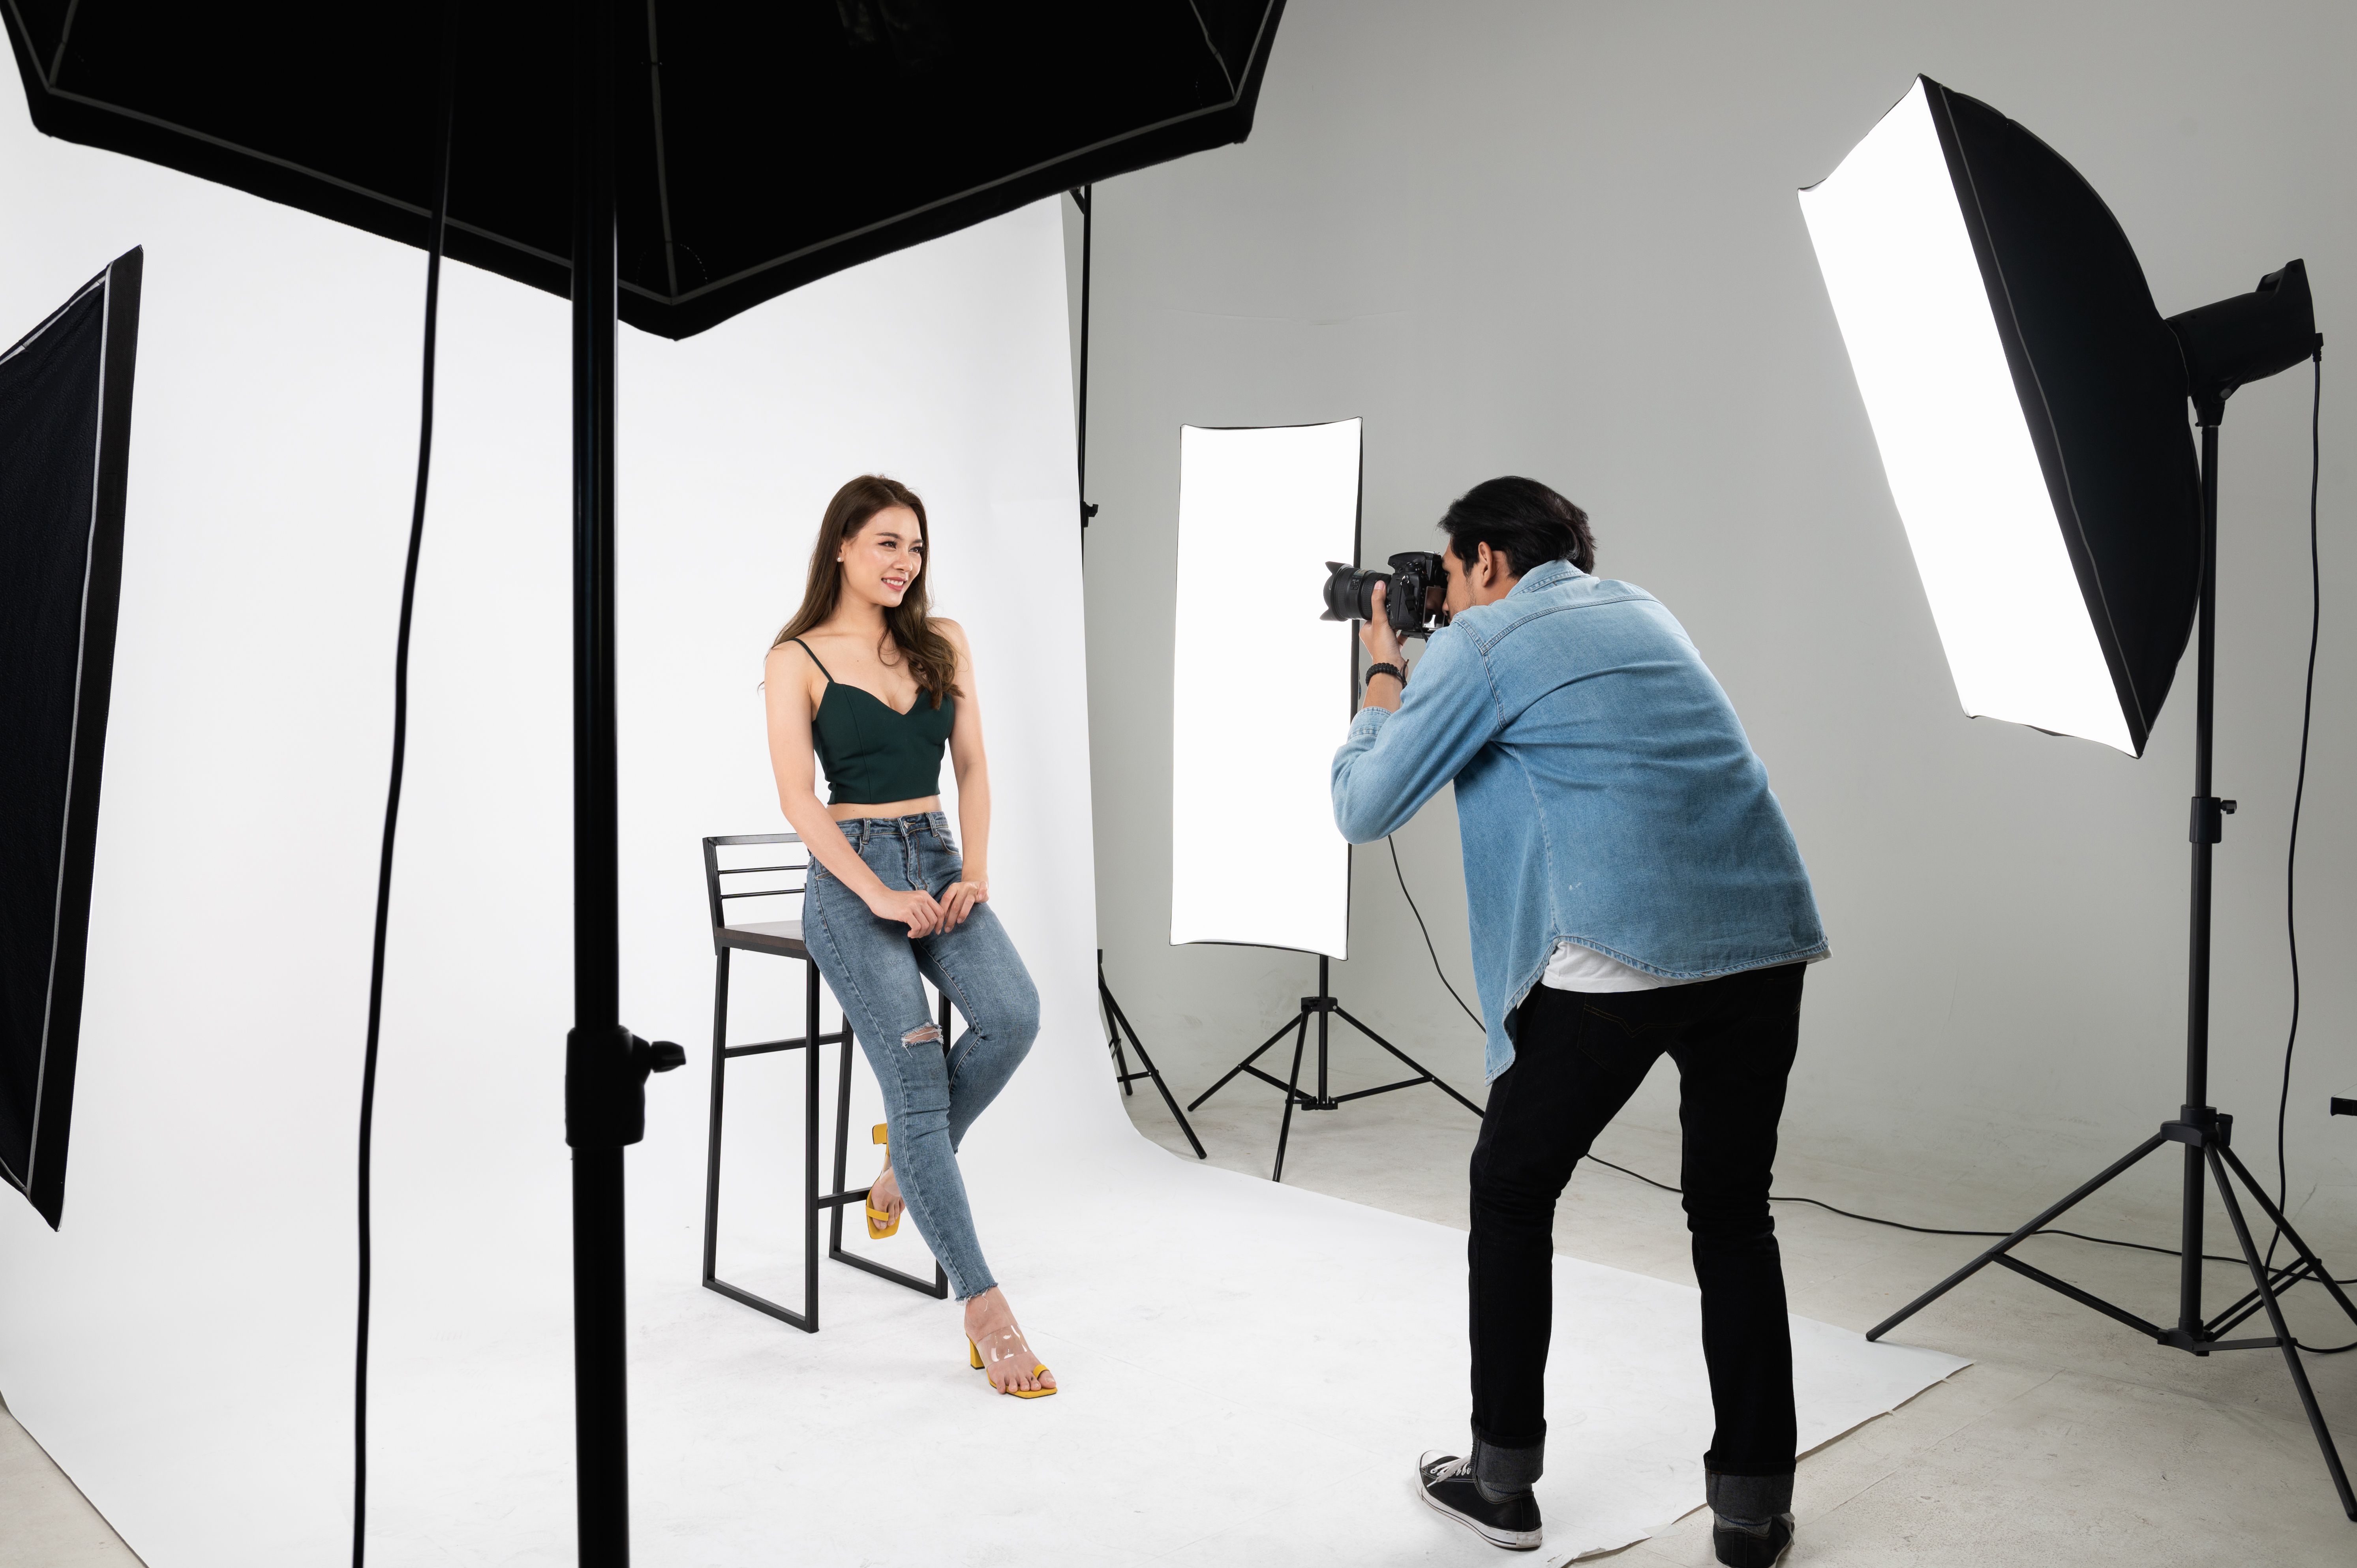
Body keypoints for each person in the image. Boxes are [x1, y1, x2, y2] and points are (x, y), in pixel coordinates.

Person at [1330, 478, 1826, 1561]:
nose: (1446, 598)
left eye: (1449, 574)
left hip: (1624, 949)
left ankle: (1501, 1482)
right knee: (1733, 1213)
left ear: (1487, 564)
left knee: (1510, 1189)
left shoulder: (1482, 640)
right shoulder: (1644, 606)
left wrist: (1382, 666)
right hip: (1765, 932)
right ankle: (1751, 1509)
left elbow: (1363, 807)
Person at [763, 474, 1053, 1398]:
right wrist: (878, 895)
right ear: (842, 546)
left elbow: (971, 765)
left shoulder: (942, 640)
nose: (905, 563)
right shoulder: (796, 656)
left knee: (1014, 1015)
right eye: (887, 543)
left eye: (917, 546)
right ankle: (985, 1309)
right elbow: (798, 799)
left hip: (937, 858)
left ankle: (899, 1170)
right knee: (920, 1079)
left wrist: (973, 869)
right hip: (850, 882)